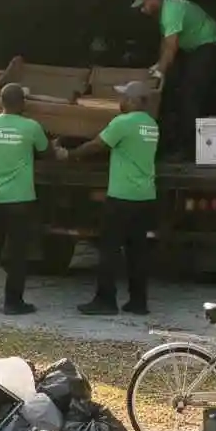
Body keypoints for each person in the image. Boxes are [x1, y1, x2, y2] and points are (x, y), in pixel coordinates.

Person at [57, 80, 159, 316]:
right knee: (137, 251)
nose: (120, 101)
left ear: (133, 100)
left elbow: (97, 145)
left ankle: (106, 301)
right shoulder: (152, 124)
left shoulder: (123, 122)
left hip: (122, 196)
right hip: (145, 196)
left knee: (109, 248)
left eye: (123, 97)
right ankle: (138, 302)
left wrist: (70, 154)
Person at [0, 82, 59, 316]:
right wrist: (54, 146)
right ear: (22, 103)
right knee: (17, 254)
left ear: (1, 102)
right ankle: (13, 303)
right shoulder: (31, 127)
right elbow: (47, 153)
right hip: (21, 200)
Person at [131, 0, 216, 159]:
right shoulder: (163, 14)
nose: (143, 10)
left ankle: (187, 149)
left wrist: (161, 71)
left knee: (190, 94)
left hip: (210, 45)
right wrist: (159, 65)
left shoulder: (172, 11)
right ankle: (176, 140)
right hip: (194, 48)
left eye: (144, 5)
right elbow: (165, 42)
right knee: (179, 90)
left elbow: (171, 46)